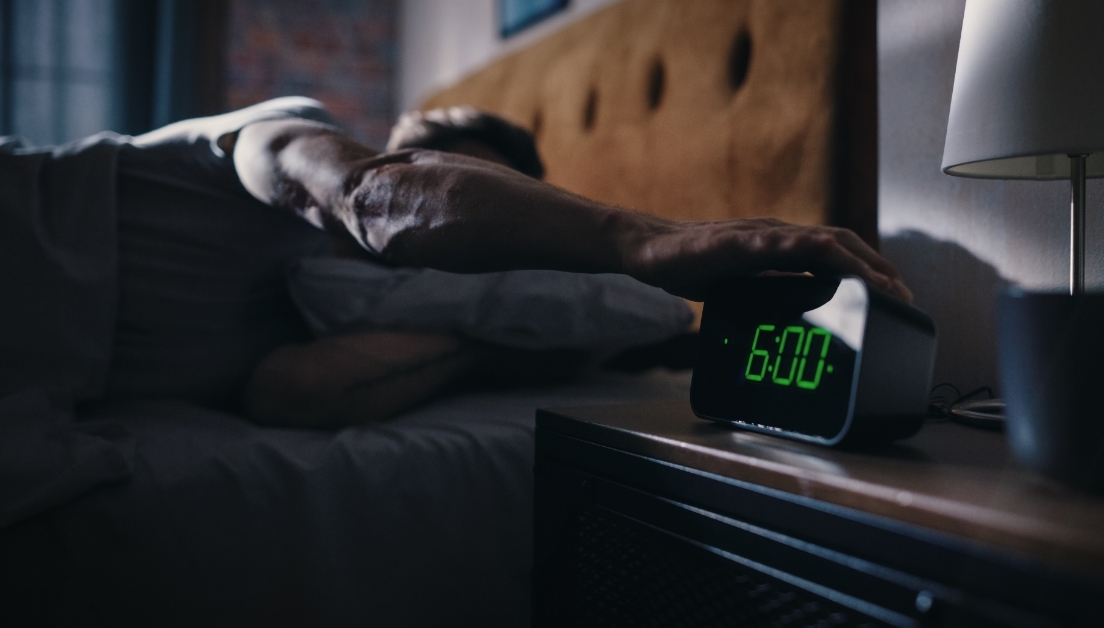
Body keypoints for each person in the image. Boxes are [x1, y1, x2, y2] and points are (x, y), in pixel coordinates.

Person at [2, 97, 910, 430]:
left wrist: (494, 344)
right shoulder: (272, 139)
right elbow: (367, 196)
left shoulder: (342, 319)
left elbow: (294, 394)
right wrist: (639, 240)